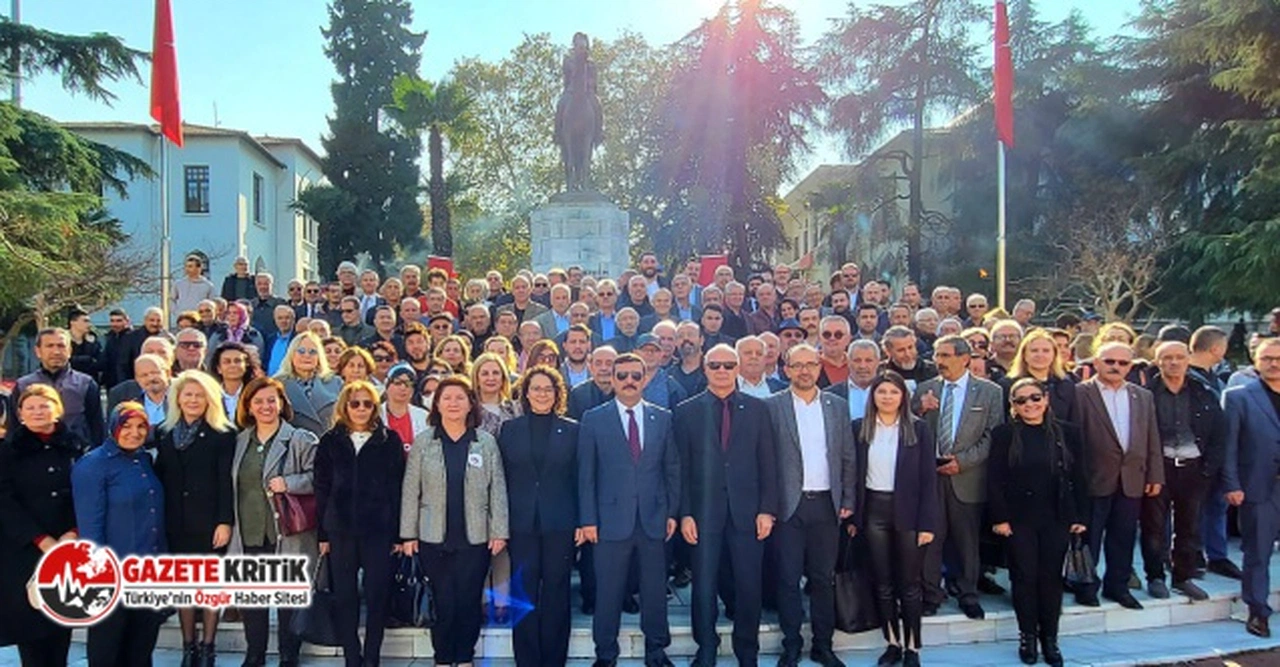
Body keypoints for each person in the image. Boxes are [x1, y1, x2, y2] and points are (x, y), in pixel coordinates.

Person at [675, 345, 778, 667]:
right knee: (704, 585)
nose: (722, 370)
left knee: (749, 584)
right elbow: (681, 467)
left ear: (737, 368)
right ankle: (705, 647)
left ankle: (747, 651)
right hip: (704, 514)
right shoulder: (686, 411)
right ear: (705, 368)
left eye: (728, 365)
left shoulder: (759, 409)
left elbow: (768, 464)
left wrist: (766, 509)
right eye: (715, 365)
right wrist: (685, 513)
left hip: (748, 513)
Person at [578, 353, 681, 667]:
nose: (629, 381)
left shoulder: (662, 417)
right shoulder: (594, 418)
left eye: (635, 375)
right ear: (612, 378)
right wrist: (588, 520)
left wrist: (672, 513)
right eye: (621, 375)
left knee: (653, 590)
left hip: (653, 519)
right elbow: (586, 474)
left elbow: (672, 468)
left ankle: (656, 650)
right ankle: (605, 653)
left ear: (645, 378)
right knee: (608, 591)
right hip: (609, 521)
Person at [401, 375, 509, 666]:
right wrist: (407, 534)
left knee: (468, 601)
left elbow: (497, 488)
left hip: (475, 538)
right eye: (446, 397)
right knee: (444, 601)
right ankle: (443, 657)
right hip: (432, 537)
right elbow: (411, 490)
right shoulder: (424, 442)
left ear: (470, 403)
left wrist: (499, 530)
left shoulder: (484, 442)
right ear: (436, 403)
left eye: (460, 397)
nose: (453, 403)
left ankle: (464, 657)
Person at [766, 344, 857, 667]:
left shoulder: (837, 405)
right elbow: (765, 462)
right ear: (786, 369)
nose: (804, 371)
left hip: (826, 506)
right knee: (788, 580)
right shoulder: (772, 406)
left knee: (823, 579)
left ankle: (823, 645)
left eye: (810, 364)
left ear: (820, 367)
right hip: (788, 507)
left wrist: (847, 499)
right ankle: (791, 645)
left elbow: (847, 455)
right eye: (797, 365)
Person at [988, 378, 1087, 667]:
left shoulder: (1068, 433)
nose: (1029, 404)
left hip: (1056, 516)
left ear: (1045, 399)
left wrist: (1080, 516)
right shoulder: (1004, 434)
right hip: (1018, 519)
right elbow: (994, 479)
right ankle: (1027, 637)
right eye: (1021, 400)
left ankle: (1050, 639)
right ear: (1013, 406)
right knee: (1024, 578)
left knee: (1051, 579)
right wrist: (1000, 518)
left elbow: (1080, 475)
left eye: (1034, 398)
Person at [228, 376, 319, 667]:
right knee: (251, 601)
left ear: (281, 404)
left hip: (287, 533)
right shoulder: (238, 441)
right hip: (249, 531)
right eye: (258, 401)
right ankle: (254, 655)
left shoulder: (301, 439)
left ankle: (288, 656)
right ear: (248, 406)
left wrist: (290, 483)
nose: (266, 406)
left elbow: (320, 479)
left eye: (271, 400)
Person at [913, 334, 1004, 619]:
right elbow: (908, 430)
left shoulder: (989, 392)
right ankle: (930, 593)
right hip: (931, 476)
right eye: (937, 356)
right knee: (931, 539)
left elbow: (993, 435)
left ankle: (967, 593)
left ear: (965, 359)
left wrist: (963, 462)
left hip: (967, 477)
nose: (939, 361)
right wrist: (919, 409)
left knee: (967, 541)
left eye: (946, 355)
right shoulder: (925, 389)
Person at [315, 380, 405, 667]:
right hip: (340, 530)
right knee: (345, 597)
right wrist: (323, 533)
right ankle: (352, 658)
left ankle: (372, 658)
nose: (362, 409)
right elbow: (322, 489)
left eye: (368, 403)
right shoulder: (330, 440)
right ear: (345, 406)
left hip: (378, 531)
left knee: (378, 596)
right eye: (356, 403)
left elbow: (397, 488)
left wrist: (399, 535)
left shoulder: (388, 440)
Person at [850, 371, 937, 667]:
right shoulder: (860, 429)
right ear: (872, 396)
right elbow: (854, 476)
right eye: (881, 391)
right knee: (883, 583)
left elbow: (929, 480)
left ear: (903, 396)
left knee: (909, 584)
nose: (887, 397)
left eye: (893, 392)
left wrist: (927, 524)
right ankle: (893, 643)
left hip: (909, 513)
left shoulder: (918, 429)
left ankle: (913, 648)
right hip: (874, 511)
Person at [72, 403, 168, 667]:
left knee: (141, 648)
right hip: (113, 575)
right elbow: (90, 526)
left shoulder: (145, 459)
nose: (134, 433)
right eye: (126, 426)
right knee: (108, 649)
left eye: (140, 427)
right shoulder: (93, 465)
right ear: (113, 426)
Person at [153, 370, 236, 667]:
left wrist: (224, 521)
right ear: (177, 398)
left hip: (210, 521)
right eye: (187, 394)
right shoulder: (164, 432)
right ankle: (189, 646)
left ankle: (208, 646)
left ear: (210, 399)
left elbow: (227, 480)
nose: (193, 400)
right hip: (176, 520)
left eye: (199, 395)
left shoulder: (224, 433)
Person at [1075, 341, 1163, 609]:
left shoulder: (1142, 395)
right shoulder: (1080, 393)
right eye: (1109, 361)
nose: (1116, 367)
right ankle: (1086, 586)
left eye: (1123, 363)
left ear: (1131, 366)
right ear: (1096, 362)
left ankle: (1118, 586)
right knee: (1089, 538)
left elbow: (1152, 437)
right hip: (1092, 479)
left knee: (1123, 537)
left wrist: (1155, 475)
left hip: (1131, 479)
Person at [0, 386, 81, 667]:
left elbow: (85, 492)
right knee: (32, 637)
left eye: (44, 406)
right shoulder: (8, 451)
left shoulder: (75, 445)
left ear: (57, 409)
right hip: (24, 552)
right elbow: (4, 501)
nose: (37, 412)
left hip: (67, 548)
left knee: (61, 629)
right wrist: (40, 539)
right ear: (20, 414)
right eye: (30, 408)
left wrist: (72, 532)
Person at [1138, 341, 1222, 602]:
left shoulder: (1204, 392)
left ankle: (1182, 577)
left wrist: (1208, 470)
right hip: (1158, 470)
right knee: (1153, 528)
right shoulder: (1144, 394)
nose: (1173, 363)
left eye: (1179, 357)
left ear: (1188, 360)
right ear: (1157, 361)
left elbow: (1219, 433)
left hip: (1193, 469)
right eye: (1167, 358)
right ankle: (1155, 577)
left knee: (1189, 527)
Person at [1221, 337, 1280, 637]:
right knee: (1257, 552)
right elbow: (1228, 446)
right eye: (1267, 358)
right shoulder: (1238, 396)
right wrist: (1232, 484)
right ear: (1255, 360)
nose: (1273, 363)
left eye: (1279, 358)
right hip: (1258, 488)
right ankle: (1258, 612)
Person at [15, 327, 104, 449]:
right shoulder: (23, 385)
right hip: (31, 455)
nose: (56, 352)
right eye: (49, 346)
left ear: (69, 351)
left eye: (61, 346)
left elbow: (97, 428)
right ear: (38, 351)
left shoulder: (86, 384)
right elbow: (13, 428)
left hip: (75, 455)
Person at [276, 332, 344, 436]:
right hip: (293, 448)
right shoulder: (277, 384)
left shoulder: (336, 382)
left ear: (319, 357)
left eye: (313, 352)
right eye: (301, 351)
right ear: (291, 354)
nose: (307, 355)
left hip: (328, 446)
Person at [1006, 329, 1078, 422]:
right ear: (1024, 354)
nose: (1040, 355)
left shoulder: (1067, 384)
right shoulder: (1008, 385)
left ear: (1054, 355)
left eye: (1046, 351)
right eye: (1034, 350)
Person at [210, 341, 261, 418]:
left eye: (238, 361)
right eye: (227, 362)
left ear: (246, 365)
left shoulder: (256, 392)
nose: (233, 365)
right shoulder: (211, 395)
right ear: (219, 368)